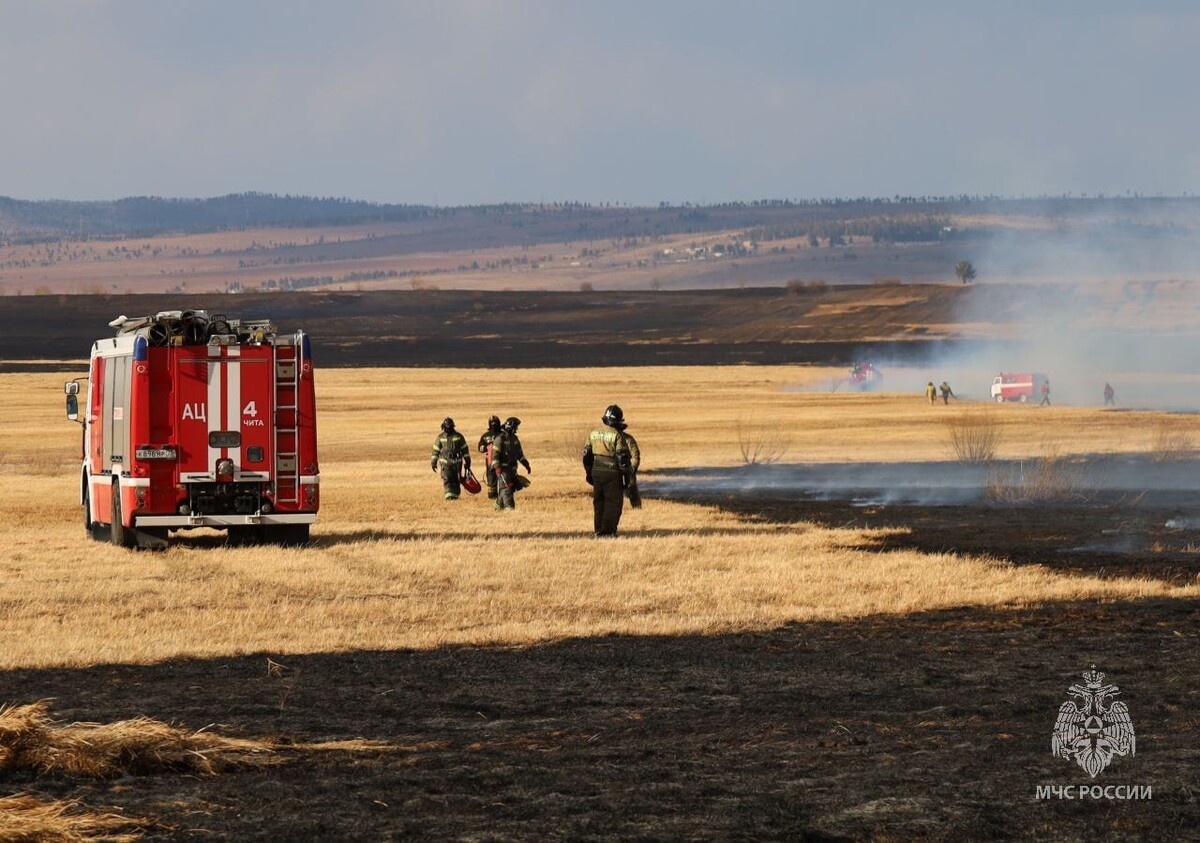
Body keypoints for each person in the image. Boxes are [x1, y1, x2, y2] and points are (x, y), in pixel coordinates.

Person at [582, 404, 635, 536]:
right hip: (612, 473)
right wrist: (626, 477)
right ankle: (608, 532)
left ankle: (598, 530)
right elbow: (622, 459)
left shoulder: (593, 433)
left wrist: (589, 473)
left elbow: (586, 456)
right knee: (613, 503)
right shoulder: (617, 435)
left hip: (596, 471)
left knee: (599, 502)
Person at [491, 416, 531, 510]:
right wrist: (497, 467)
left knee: (509, 488)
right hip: (503, 469)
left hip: (512, 469)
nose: (516, 429)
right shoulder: (500, 438)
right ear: (510, 427)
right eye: (515, 427)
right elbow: (495, 455)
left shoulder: (515, 439)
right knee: (506, 488)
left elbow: (519, 454)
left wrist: (526, 464)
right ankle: (509, 508)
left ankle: (498, 506)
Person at [430, 418, 470, 500]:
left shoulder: (459, 436)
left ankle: (455, 496)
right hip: (445, 462)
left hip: (457, 462)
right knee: (447, 479)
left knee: (456, 480)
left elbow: (465, 449)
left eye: (450, 427)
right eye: (446, 427)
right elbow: (435, 450)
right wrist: (433, 462)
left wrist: (468, 461)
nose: (448, 429)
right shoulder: (440, 437)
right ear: (443, 427)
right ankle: (449, 497)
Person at [477, 415, 502, 499]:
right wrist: (486, 448)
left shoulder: (503, 434)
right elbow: (480, 447)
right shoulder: (485, 436)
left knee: (503, 478)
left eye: (495, 423)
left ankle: (504, 496)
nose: (494, 425)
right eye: (492, 423)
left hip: (502, 460)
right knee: (491, 479)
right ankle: (492, 496)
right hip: (490, 461)